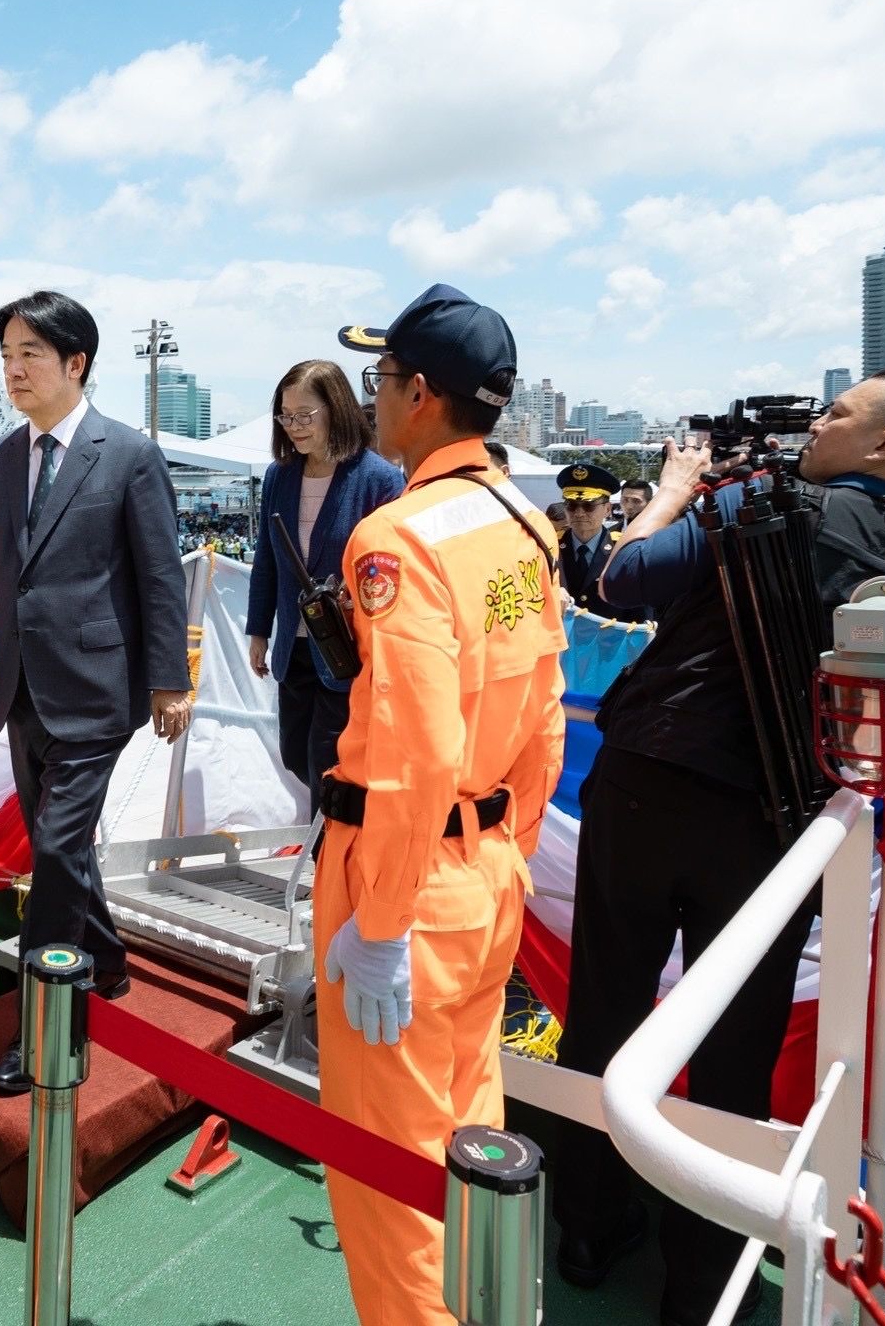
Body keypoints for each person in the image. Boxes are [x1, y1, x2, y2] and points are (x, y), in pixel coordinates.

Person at [551, 371, 885, 1325]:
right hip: (777, 833)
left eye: (838, 413)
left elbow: (620, 578)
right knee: (736, 1057)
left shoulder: (745, 502)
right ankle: (703, 1283)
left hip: (649, 787)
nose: (817, 424)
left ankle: (588, 1228)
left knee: (606, 1010)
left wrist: (670, 490)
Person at [316, 284, 566, 1324]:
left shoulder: (397, 538)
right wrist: (506, 849)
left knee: (388, 1176)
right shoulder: (527, 526)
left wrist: (380, 920)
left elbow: (416, 750)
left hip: (404, 884)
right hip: (489, 870)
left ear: (419, 392)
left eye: (379, 378)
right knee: (469, 1126)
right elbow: (544, 716)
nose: (372, 396)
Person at [0, 292, 190, 1096]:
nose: (14, 368)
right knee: (58, 843)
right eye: (7, 352)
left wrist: (169, 679)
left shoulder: (129, 455)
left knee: (56, 848)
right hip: (20, 688)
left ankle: (45, 1021)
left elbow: (158, 576)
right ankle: (106, 958)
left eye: (31, 353)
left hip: (98, 690)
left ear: (77, 363)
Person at [244, 360, 403, 791]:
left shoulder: (380, 479)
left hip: (347, 650)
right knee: (295, 755)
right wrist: (259, 631)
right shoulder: (280, 475)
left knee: (327, 768)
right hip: (294, 648)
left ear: (336, 408)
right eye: (285, 415)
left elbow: (390, 570)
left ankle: (327, 857)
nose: (293, 426)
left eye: (304, 415)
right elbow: (267, 561)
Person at [554, 462, 624, 614]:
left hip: (608, 634)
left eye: (588, 506)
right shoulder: (551, 547)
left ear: (607, 509)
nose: (579, 513)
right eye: (571, 505)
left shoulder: (622, 548)